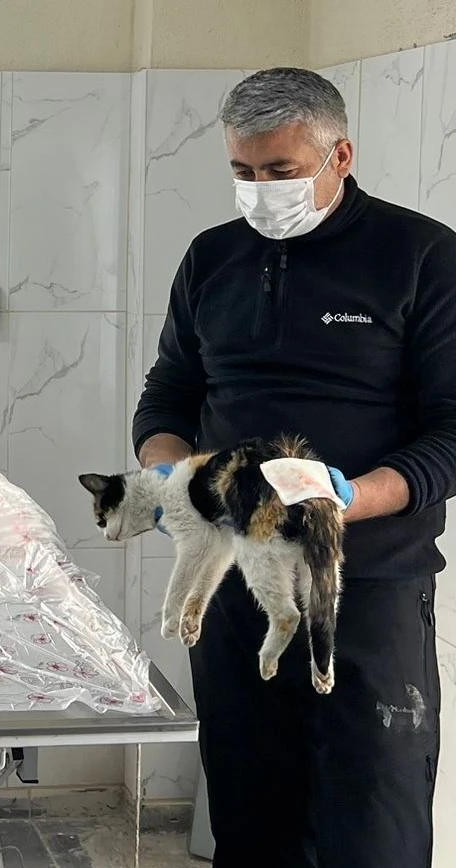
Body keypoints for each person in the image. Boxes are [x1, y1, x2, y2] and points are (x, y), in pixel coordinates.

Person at [133, 67, 456, 868]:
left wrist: (354, 497)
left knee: (373, 825)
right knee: (250, 819)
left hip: (368, 590)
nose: (260, 190)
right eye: (242, 171)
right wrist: (172, 476)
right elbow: (169, 393)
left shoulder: (421, 257)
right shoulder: (212, 258)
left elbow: (452, 429)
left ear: (339, 155)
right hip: (235, 585)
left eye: (280, 170)